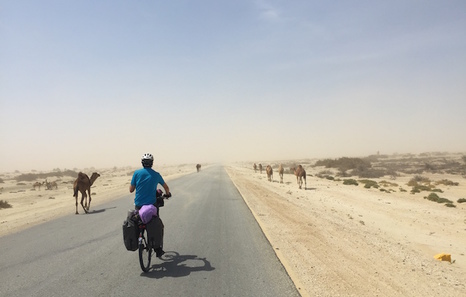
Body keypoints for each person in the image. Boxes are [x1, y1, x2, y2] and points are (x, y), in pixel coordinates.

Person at [129, 153, 171, 257]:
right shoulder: (156, 175)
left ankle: (139, 236)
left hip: (138, 205)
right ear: (152, 163)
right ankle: (158, 249)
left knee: (138, 222)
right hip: (151, 205)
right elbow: (166, 187)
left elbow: (131, 190)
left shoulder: (137, 173)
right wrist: (167, 194)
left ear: (142, 163)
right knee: (157, 225)